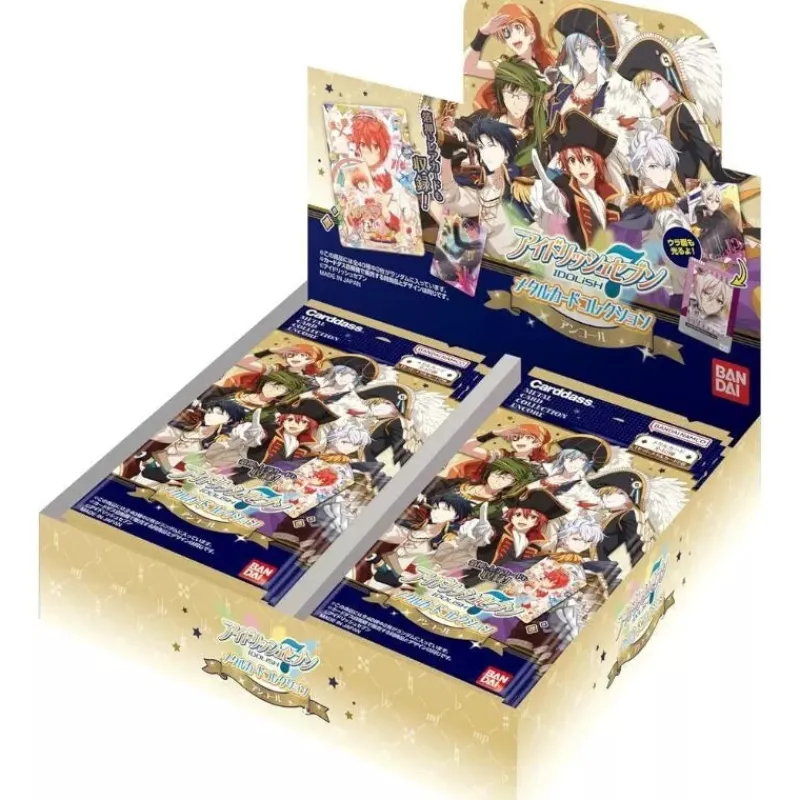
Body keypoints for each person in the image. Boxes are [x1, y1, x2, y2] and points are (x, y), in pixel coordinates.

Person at [615, 33, 749, 186]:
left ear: (671, 79)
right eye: (645, 85)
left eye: (657, 80)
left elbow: (712, 159)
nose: (651, 90)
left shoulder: (683, 111)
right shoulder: (659, 122)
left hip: (681, 198)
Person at [530, 110, 622, 249]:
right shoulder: (565, 190)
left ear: (598, 162)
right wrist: (548, 195)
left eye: (587, 159)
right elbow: (558, 200)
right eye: (572, 160)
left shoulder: (607, 195)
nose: (580, 167)